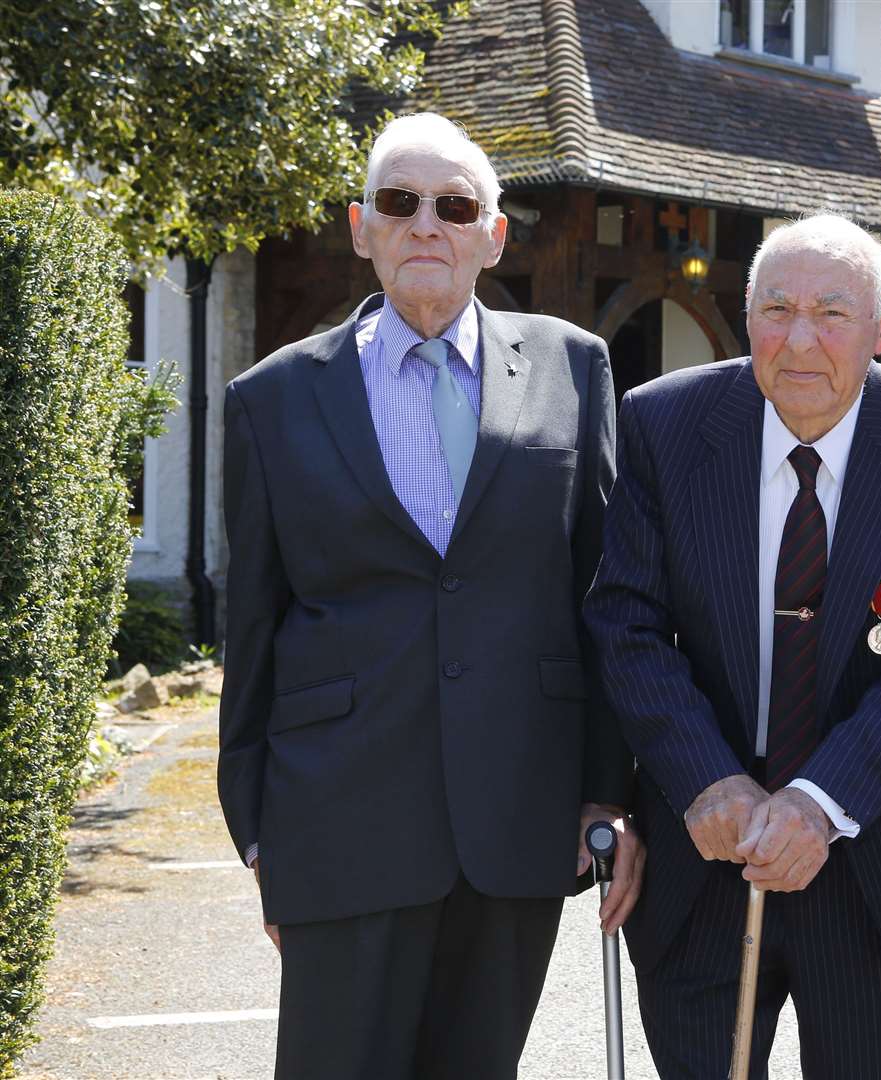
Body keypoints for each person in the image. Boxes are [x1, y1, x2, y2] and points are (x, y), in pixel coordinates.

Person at [217, 112, 641, 1080]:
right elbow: (254, 624)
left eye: (454, 206)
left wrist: (606, 790)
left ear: (493, 236)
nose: (426, 225)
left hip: (517, 827)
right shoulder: (271, 400)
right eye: (399, 202)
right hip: (339, 827)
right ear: (360, 225)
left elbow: (601, 597)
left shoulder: (576, 370)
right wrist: (255, 831)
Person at [584, 213, 881, 1079]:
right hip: (703, 850)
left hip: (876, 858)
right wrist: (706, 777)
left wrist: (818, 804)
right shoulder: (665, 426)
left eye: (833, 313)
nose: (800, 339)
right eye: (776, 309)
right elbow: (625, 620)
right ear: (748, 321)